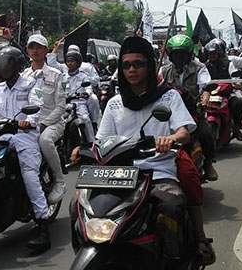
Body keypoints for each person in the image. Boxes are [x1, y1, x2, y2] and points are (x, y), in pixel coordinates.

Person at [86, 36, 206, 267]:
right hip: (119, 175)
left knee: (172, 205)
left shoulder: (169, 96)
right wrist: (83, 151)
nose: (132, 70)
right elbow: (101, 140)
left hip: (158, 172)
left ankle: (174, 259)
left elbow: (184, 132)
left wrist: (170, 139)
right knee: (79, 207)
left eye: (138, 64)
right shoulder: (114, 103)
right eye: (126, 65)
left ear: (150, 66)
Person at [0, 46, 51, 252]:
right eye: (2, 63)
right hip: (2, 135)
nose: (4, 68)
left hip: (25, 137)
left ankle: (43, 226)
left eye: (8, 63)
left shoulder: (32, 84)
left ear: (17, 65)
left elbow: (36, 107)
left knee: (30, 176)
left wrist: (28, 121)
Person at [160, 34, 218, 182]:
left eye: (182, 53)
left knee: (205, 132)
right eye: (175, 53)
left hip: (192, 110)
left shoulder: (199, 68)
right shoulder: (164, 70)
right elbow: (156, 86)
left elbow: (205, 87)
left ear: (189, 54)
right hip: (169, 112)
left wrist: (204, 101)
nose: (178, 57)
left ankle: (208, 163)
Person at [22, 34, 67, 204]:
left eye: (39, 47)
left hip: (52, 123)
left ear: (46, 50)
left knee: (44, 140)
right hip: (28, 122)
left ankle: (60, 181)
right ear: (27, 50)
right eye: (32, 47)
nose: (35, 50)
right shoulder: (23, 76)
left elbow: (60, 107)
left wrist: (43, 124)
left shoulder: (57, 75)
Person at [204, 38, 242, 141]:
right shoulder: (204, 67)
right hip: (208, 94)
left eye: (214, 53)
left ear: (219, 53)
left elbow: (234, 75)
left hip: (226, 94)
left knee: (238, 103)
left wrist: (237, 83)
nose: (212, 56)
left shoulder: (228, 63)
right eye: (210, 54)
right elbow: (200, 79)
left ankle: (237, 128)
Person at [48, 40, 100, 130]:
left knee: (86, 118)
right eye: (68, 60)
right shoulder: (63, 71)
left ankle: (93, 131)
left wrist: (86, 90)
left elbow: (94, 82)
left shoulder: (86, 68)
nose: (70, 63)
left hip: (80, 101)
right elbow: (51, 64)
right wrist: (55, 49)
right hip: (65, 102)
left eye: (73, 60)